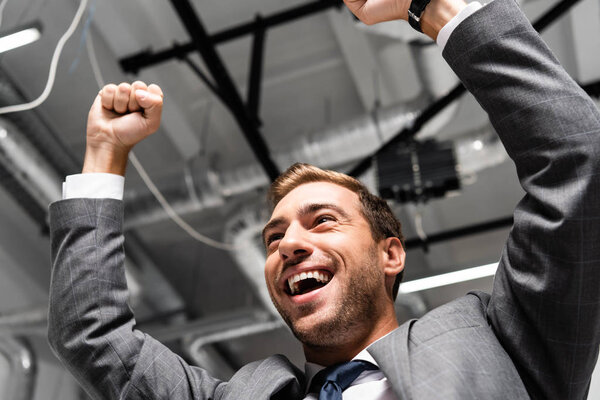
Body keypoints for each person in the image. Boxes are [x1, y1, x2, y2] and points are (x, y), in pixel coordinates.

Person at [48, 0, 600, 398]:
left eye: (323, 220)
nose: (288, 243)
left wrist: (433, 7)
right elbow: (92, 334)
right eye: (274, 236)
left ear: (391, 254)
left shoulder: (504, 340)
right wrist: (102, 152)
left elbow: (576, 157)